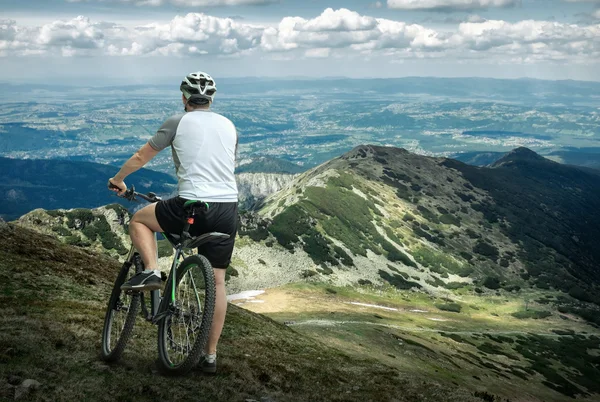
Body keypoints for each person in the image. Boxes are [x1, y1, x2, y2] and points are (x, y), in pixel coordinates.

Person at [107, 71, 238, 374]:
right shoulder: (229, 126)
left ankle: (152, 270)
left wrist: (119, 180)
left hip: (192, 203)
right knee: (218, 283)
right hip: (228, 208)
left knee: (140, 220)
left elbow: (142, 155)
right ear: (211, 99)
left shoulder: (178, 121)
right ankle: (209, 356)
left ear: (183, 97)